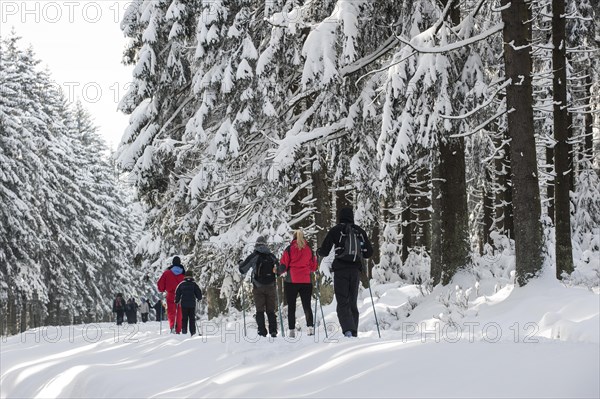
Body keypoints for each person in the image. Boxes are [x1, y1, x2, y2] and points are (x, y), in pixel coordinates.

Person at [318, 207, 373, 337]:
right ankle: (354, 331)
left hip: (341, 271)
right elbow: (368, 253)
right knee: (352, 302)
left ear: (340, 217)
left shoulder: (336, 230)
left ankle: (348, 330)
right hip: (355, 271)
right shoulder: (359, 231)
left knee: (343, 301)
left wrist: (319, 251)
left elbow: (325, 251)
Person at [279, 229, 318, 337]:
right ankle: (310, 328)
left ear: (294, 237)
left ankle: (291, 330)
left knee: (291, 306)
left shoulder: (289, 249)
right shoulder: (309, 249)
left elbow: (283, 264)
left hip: (292, 281)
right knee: (307, 305)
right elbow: (314, 267)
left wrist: (279, 271)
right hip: (306, 281)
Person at [239, 235, 279, 337]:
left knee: (259, 310)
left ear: (256, 245)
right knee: (271, 310)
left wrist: (240, 263)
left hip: (258, 287)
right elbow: (279, 269)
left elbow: (242, 269)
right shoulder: (271, 256)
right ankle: (273, 331)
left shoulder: (254, 256)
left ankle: (262, 331)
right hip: (271, 286)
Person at [157, 256, 186, 333]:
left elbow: (160, 285)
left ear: (172, 263)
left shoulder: (167, 273)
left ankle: (172, 326)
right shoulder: (183, 274)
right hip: (181, 295)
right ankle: (178, 329)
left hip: (171, 294)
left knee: (171, 311)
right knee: (180, 312)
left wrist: (162, 289)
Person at [175, 270, 203, 336]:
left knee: (184, 318)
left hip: (184, 304)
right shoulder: (194, 284)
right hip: (192, 304)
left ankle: (184, 331)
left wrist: (177, 300)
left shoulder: (181, 284)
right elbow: (198, 293)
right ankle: (193, 332)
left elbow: (178, 293)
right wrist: (199, 298)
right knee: (192, 318)